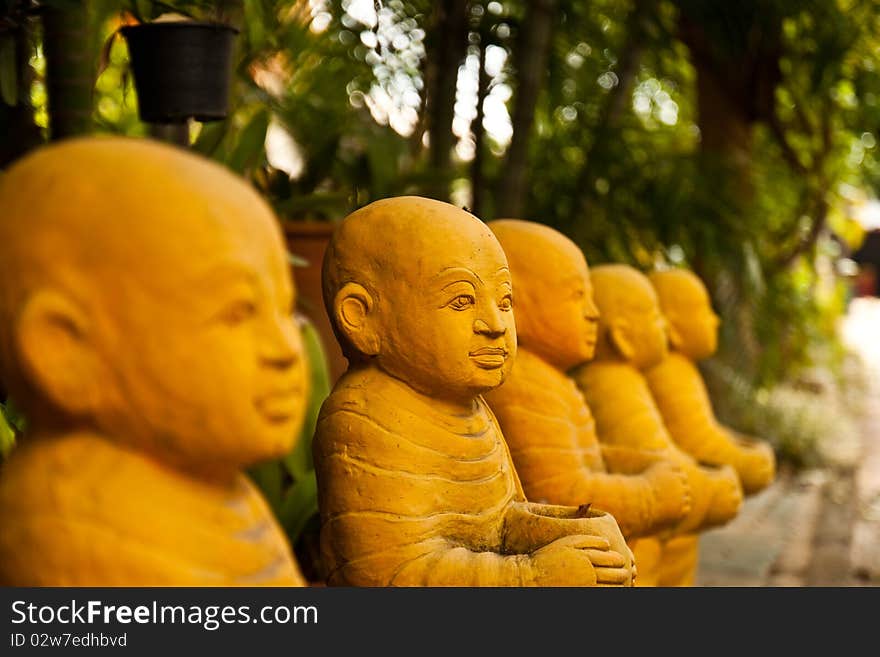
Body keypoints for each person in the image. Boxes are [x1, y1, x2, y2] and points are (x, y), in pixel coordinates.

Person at [0, 137, 309, 585]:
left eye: (285, 310)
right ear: (64, 350)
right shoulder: (69, 528)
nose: (286, 349)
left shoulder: (218, 490)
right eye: (238, 312)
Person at [313, 196, 635, 586]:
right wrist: (529, 578)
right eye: (462, 300)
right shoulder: (363, 418)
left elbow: (501, 524)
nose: (495, 324)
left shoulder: (473, 410)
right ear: (362, 317)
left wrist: (583, 533)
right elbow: (391, 574)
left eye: (504, 300)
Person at [483, 220, 692, 541]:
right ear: (515, 303)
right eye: (578, 295)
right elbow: (563, 496)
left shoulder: (550, 379)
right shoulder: (522, 381)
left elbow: (589, 456)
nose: (594, 313)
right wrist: (651, 496)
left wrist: (651, 467)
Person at [572, 264, 743, 586]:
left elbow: (667, 454)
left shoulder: (627, 380)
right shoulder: (611, 385)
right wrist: (710, 491)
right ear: (622, 337)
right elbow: (653, 457)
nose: (663, 325)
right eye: (654, 317)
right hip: (634, 539)